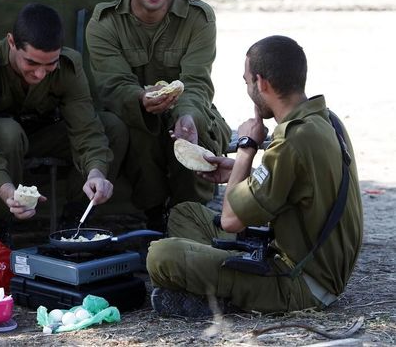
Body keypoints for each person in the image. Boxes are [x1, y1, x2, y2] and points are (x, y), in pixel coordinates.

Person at [146, 35, 363, 317]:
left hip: (299, 283)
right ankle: (220, 279)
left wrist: (246, 148)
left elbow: (230, 220)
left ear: (262, 83)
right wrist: (235, 170)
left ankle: (220, 293)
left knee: (161, 257)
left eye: (247, 81)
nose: (248, 88)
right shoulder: (325, 120)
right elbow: (292, 184)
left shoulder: (292, 142)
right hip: (299, 256)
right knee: (185, 215)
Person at [86, 0, 231, 232]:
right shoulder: (105, 23)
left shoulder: (197, 19)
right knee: (134, 126)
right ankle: (153, 217)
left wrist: (186, 116)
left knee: (197, 126)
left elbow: (196, 82)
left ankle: (190, 215)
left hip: (189, 106)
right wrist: (141, 99)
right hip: (134, 114)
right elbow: (113, 86)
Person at [0, 3, 127, 232]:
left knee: (112, 127)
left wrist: (96, 173)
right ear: (12, 42)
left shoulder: (68, 66)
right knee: (8, 133)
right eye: (31, 63)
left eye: (50, 64)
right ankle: (0, 233)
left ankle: (76, 224)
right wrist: (7, 193)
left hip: (40, 138)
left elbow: (86, 128)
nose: (40, 73)